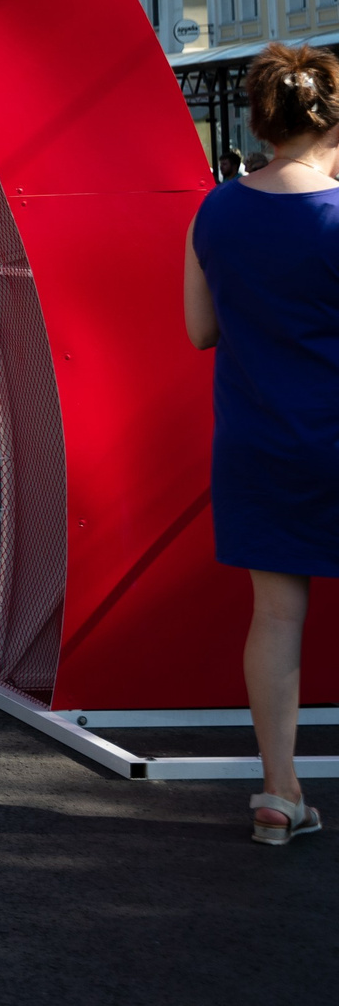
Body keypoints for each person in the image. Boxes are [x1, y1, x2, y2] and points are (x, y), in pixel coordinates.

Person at [185, 42, 339, 845]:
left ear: (260, 121)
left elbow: (200, 328)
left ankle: (279, 790)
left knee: (277, 616)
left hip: (257, 438)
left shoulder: (218, 209)